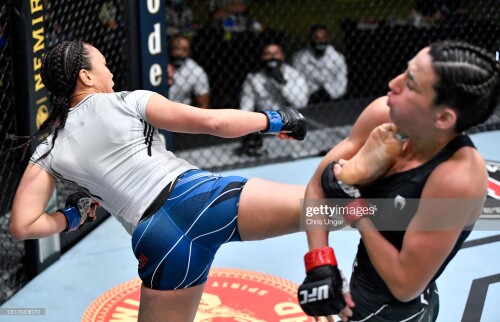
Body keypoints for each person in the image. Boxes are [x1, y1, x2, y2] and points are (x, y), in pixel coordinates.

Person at [9, 40, 308, 322]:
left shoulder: (49, 150)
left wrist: (71, 217)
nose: (110, 70)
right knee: (327, 208)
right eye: (104, 64)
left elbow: (23, 225)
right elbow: (213, 123)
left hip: (158, 241)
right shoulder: (128, 101)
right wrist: (277, 119)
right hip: (200, 199)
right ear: (86, 76)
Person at [298, 40, 500, 321]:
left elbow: (405, 285)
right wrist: (320, 264)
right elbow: (320, 185)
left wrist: (358, 212)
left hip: (398, 311)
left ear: (442, 117)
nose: (394, 83)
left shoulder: (456, 178)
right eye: (405, 71)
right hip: (363, 282)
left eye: (411, 84)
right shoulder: (384, 115)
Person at [292, 24, 348, 104]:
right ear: (311, 38)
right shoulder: (299, 58)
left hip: (333, 98)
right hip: (308, 99)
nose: (321, 42)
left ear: (328, 38)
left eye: (324, 38)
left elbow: (342, 83)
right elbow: (297, 82)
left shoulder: (338, 57)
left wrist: (331, 94)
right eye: (317, 38)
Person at [169, 35, 211, 109]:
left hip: (181, 112)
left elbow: (203, 104)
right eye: (175, 48)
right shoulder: (158, 65)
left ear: (189, 52)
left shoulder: (197, 72)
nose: (179, 53)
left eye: (184, 49)